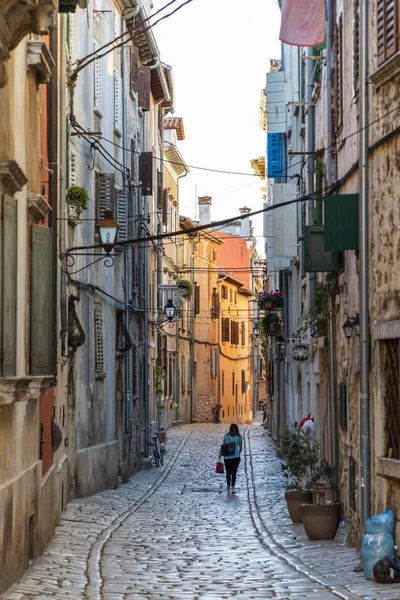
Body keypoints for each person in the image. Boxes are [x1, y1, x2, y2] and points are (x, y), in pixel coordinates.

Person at [220, 424, 242, 494]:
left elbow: (223, 446)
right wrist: (237, 453)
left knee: (228, 472)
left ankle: (228, 486)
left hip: (227, 457)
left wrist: (220, 454)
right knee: (234, 472)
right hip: (236, 457)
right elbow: (241, 448)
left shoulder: (226, 436)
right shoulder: (239, 437)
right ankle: (233, 487)